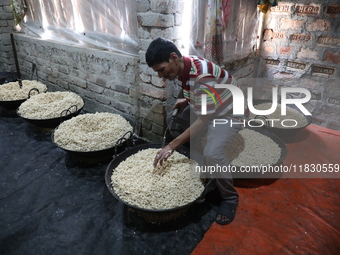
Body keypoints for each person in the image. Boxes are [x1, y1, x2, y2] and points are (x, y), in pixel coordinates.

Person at [145, 37, 246, 225]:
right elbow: (189, 86)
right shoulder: (185, 65)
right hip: (207, 107)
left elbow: (204, 119)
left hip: (228, 112)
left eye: (161, 70)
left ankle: (229, 198)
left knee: (213, 154)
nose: (160, 75)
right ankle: (196, 159)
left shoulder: (202, 76)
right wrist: (186, 99)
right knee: (172, 120)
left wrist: (171, 146)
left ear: (174, 57)